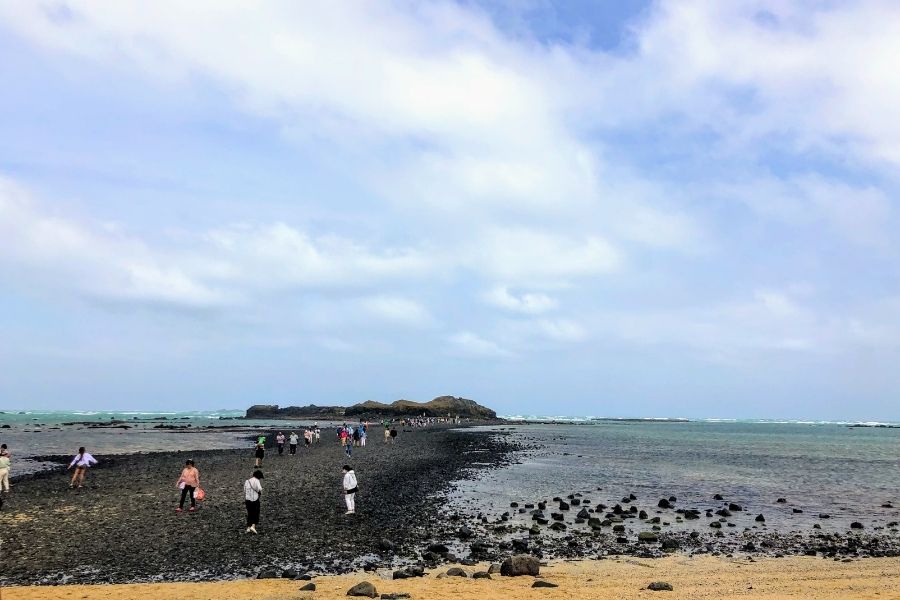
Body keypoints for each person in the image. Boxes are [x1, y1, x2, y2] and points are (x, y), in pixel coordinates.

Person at [244, 469, 264, 534]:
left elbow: (244, 489)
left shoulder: (247, 481)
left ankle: (248, 528)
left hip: (247, 500)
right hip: (255, 500)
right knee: (256, 513)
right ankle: (253, 526)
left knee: (249, 513)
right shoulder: (257, 481)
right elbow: (259, 489)